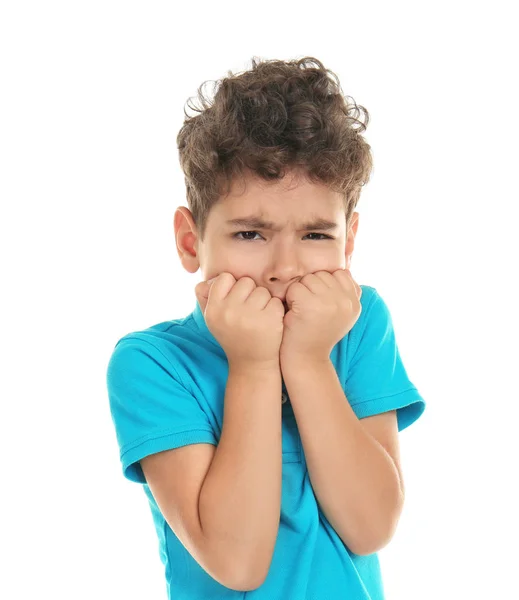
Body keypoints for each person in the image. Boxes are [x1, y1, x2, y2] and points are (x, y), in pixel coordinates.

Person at [106, 55, 426, 599]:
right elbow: (238, 562)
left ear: (349, 240)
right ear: (191, 242)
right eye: (251, 235)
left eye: (316, 236)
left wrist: (307, 360)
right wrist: (254, 365)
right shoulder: (151, 363)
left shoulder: (359, 323)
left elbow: (371, 527)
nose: (287, 267)